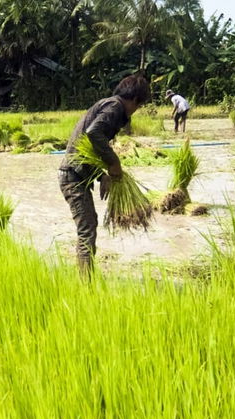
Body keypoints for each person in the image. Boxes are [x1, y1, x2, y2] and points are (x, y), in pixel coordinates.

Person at [58, 74, 151, 276]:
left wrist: (102, 176)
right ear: (135, 100)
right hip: (72, 175)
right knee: (87, 229)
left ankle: (86, 278)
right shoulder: (115, 107)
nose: (136, 111)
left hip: (78, 172)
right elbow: (93, 132)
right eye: (139, 105)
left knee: (89, 224)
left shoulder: (108, 104)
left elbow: (87, 148)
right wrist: (114, 162)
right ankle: (86, 286)